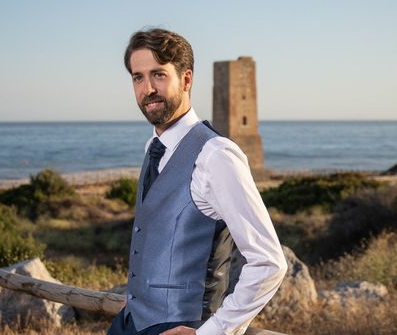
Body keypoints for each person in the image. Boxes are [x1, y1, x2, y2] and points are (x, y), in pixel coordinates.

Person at [108, 28, 287, 335]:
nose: (147, 88)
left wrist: (213, 331)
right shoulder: (153, 149)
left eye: (159, 75)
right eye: (138, 77)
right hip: (130, 324)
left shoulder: (217, 156)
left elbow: (269, 262)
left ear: (187, 79)